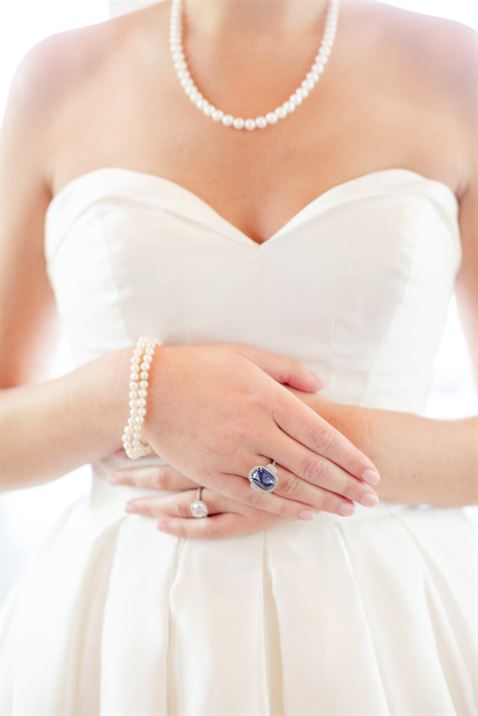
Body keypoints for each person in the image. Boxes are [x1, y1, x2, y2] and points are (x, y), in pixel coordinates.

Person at [1, 0, 476, 713]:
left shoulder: (456, 69)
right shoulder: (58, 76)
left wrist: (279, 456)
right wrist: (142, 394)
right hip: (127, 630)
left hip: (387, 625)